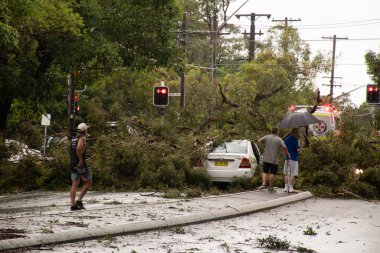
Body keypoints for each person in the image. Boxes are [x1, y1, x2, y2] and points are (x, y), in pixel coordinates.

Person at [258, 127, 289, 192]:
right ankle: (270, 187)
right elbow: (284, 147)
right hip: (274, 159)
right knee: (272, 173)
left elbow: (259, 141)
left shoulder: (266, 137)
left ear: (272, 131)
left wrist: (262, 148)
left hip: (266, 157)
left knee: (265, 171)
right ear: (277, 132)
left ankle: (263, 184)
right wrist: (286, 153)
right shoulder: (279, 139)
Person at [70, 123, 92, 211]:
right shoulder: (82, 138)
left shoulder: (74, 138)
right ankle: (79, 200)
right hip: (80, 164)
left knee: (74, 183)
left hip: (72, 163)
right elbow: (79, 148)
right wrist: (80, 160)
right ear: (85, 131)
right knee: (88, 181)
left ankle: (73, 204)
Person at [283, 128, 301, 192]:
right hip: (293, 158)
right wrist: (301, 148)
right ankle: (291, 188)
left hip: (287, 158)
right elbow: (298, 150)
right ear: (296, 132)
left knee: (286, 173)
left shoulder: (286, 139)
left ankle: (285, 187)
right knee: (293, 174)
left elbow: (284, 148)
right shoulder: (295, 140)